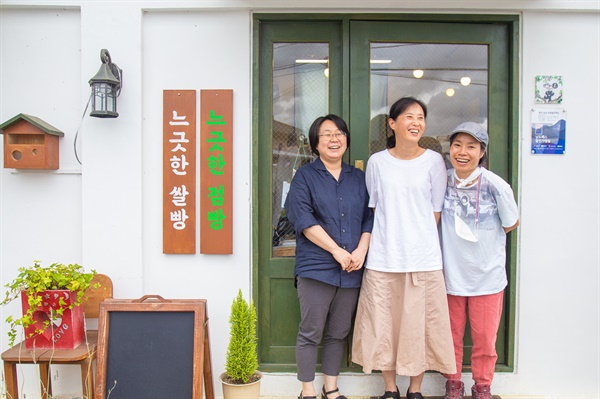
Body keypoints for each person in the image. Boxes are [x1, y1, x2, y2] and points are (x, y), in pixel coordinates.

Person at [352, 97, 456, 399]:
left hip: (422, 259)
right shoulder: (377, 162)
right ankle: (389, 389)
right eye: (409, 116)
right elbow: (373, 208)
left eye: (420, 117)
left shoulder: (434, 161)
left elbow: (435, 210)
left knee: (419, 325)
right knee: (384, 323)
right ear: (392, 123)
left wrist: (414, 236)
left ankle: (415, 389)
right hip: (383, 258)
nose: (416, 122)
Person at [284, 114, 374, 399]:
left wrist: (360, 250)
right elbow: (303, 219)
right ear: (315, 143)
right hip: (317, 267)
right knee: (311, 331)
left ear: (346, 140)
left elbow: (369, 219)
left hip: (351, 268)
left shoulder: (358, 177)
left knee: (338, 332)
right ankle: (307, 391)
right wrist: (336, 250)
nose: (334, 139)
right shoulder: (305, 176)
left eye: (339, 133)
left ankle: (330, 388)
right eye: (326, 134)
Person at [440, 122, 519, 399]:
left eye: (471, 147)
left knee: (485, 339)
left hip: (487, 276)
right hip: (450, 275)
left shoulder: (496, 185)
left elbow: (511, 222)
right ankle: (453, 383)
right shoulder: (442, 180)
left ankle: (482, 385)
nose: (463, 152)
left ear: (481, 152)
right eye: (457, 145)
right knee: (450, 336)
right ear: (450, 149)